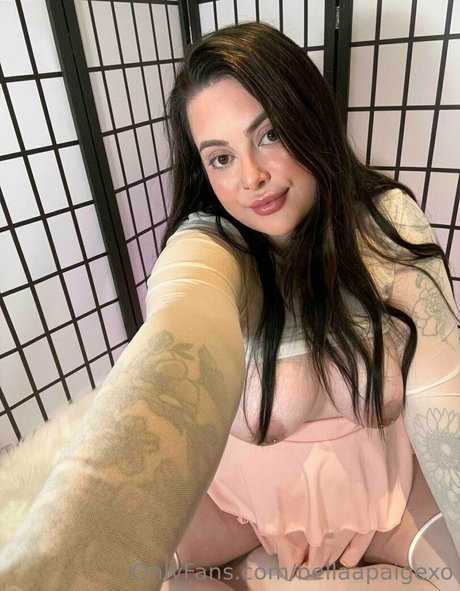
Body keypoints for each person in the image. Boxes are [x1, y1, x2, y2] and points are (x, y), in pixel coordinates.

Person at [0, 21, 458, 591]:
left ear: (309, 117)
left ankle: (260, 575)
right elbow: (169, 354)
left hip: (387, 501)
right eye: (220, 158)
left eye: (269, 135)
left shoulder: (387, 225)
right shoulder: (208, 246)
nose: (252, 177)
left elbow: (448, 401)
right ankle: (257, 569)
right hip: (240, 510)